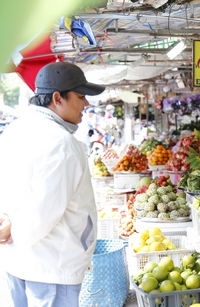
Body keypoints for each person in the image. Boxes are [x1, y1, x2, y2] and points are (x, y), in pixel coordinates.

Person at [0, 61, 106, 306]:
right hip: (51, 266)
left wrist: (8, 226)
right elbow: (43, 211)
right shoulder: (62, 144)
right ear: (57, 98)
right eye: (81, 96)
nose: (86, 104)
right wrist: (12, 230)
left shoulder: (15, 129)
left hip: (18, 260)